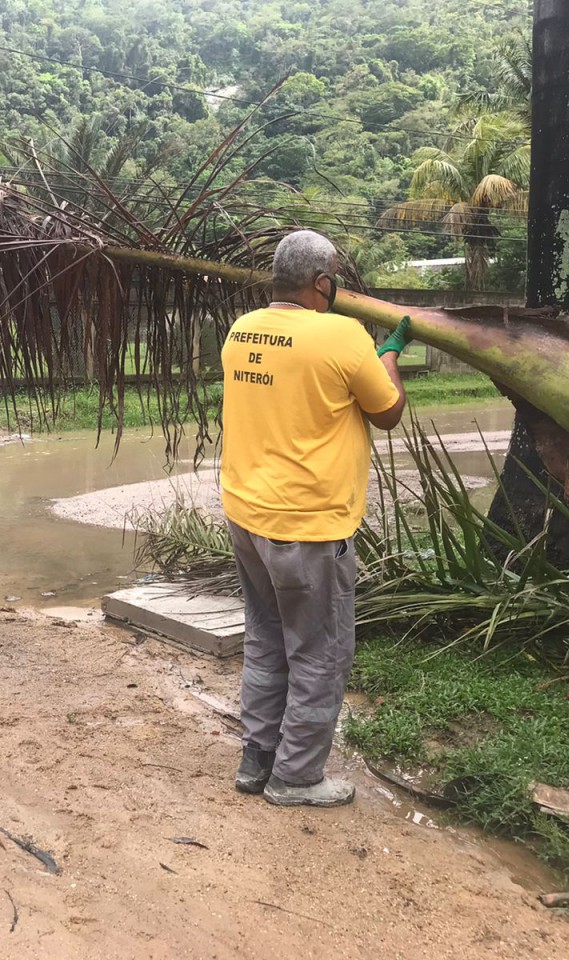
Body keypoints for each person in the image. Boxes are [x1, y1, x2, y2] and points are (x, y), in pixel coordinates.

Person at [220, 230, 410, 808]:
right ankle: (297, 776)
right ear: (323, 283)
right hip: (308, 524)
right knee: (319, 652)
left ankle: (257, 761)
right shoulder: (342, 334)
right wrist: (390, 353)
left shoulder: (241, 330)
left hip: (247, 513)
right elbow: (388, 413)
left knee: (268, 639)